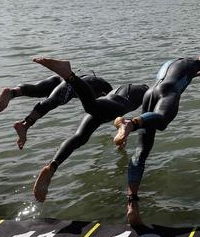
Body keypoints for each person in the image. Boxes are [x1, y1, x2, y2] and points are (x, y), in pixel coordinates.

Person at [112, 55, 200, 226]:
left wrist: (195, 74)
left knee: (141, 151)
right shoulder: (194, 62)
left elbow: (179, 76)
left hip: (151, 93)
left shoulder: (173, 63)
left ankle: (132, 203)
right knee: (162, 120)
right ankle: (130, 123)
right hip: (169, 92)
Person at [30, 58, 148, 203]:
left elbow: (120, 118)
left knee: (80, 136)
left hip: (110, 104)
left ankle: (52, 166)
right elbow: (145, 119)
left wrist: (122, 132)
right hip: (121, 100)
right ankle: (69, 75)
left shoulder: (113, 99)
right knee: (91, 107)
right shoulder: (144, 92)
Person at [0, 73, 113, 149]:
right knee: (54, 100)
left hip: (63, 77)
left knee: (38, 90)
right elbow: (102, 114)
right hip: (73, 83)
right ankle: (25, 125)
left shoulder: (103, 87)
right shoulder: (108, 97)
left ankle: (11, 92)